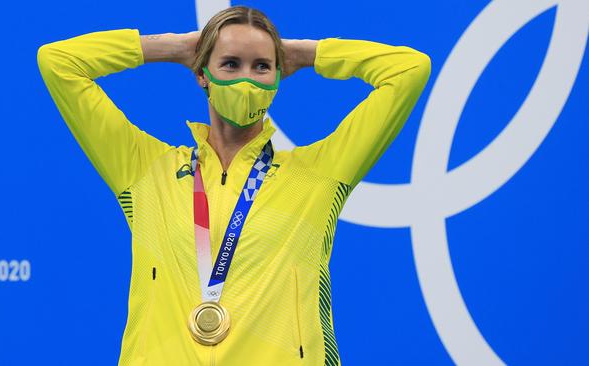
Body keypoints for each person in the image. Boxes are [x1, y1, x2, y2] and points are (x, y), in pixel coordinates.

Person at [37, 5, 430, 365]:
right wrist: (172, 48)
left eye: (261, 66)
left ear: (278, 76)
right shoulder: (144, 170)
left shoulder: (320, 175)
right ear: (202, 74)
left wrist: (308, 55)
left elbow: (409, 70)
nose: (246, 80)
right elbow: (59, 63)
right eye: (230, 64)